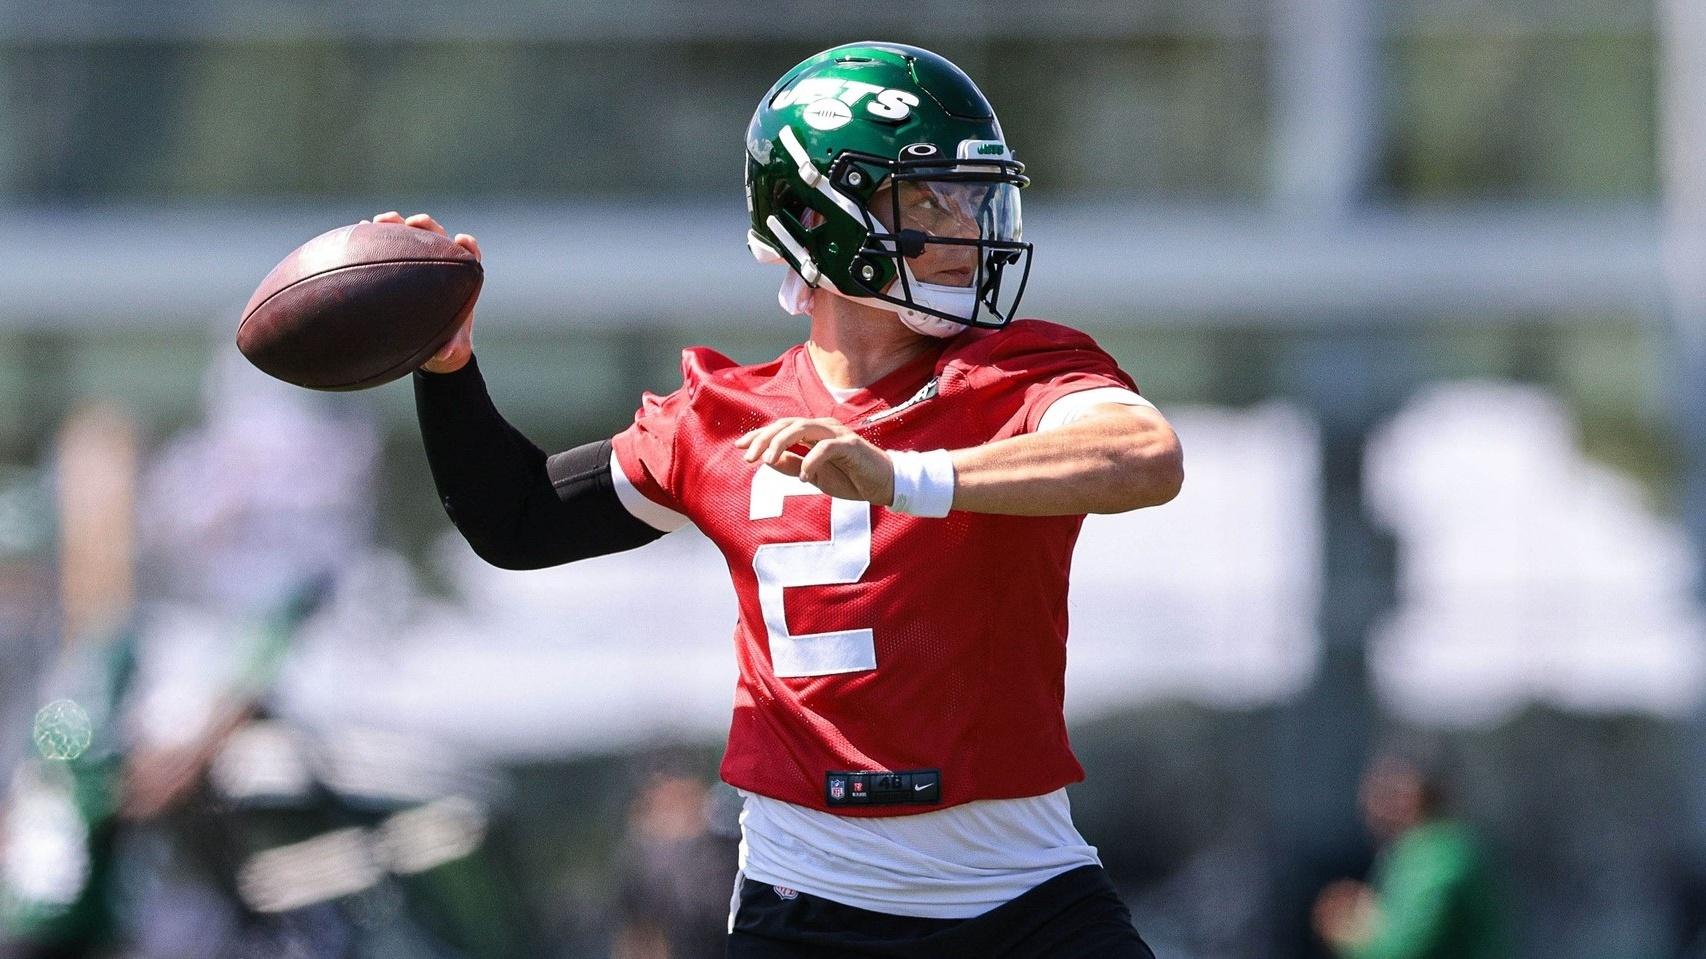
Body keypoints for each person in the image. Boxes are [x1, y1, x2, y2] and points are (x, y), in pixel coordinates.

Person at [402, 41, 1182, 958]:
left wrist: (905, 478)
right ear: (820, 218)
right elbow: (519, 518)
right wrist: (445, 367)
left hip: (1019, 892)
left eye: (976, 197)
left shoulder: (1018, 371)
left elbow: (1144, 454)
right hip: (805, 905)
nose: (970, 226)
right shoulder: (720, 417)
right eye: (931, 200)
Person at [1312, 751, 1509, 959]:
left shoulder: (1437, 856)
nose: (1376, 804)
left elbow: (1403, 949)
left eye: (1391, 791)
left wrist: (1347, 935)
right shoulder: (1413, 852)